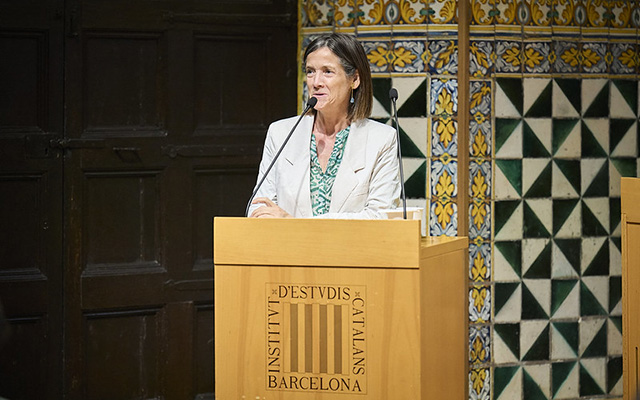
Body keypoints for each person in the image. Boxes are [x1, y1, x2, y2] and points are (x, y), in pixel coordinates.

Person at [247, 33, 400, 219]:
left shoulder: (382, 139)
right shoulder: (280, 133)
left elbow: (380, 216)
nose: (316, 82)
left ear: (355, 79)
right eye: (310, 71)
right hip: (287, 247)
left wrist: (293, 224)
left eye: (327, 71)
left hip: (353, 248)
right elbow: (259, 207)